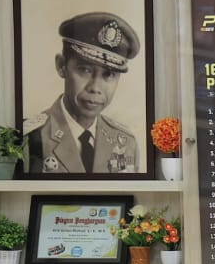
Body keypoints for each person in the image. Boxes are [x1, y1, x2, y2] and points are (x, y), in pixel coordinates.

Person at [24, 11, 141, 175]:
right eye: (85, 70)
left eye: (109, 75)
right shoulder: (31, 139)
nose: (95, 87)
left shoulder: (126, 143)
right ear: (61, 66)